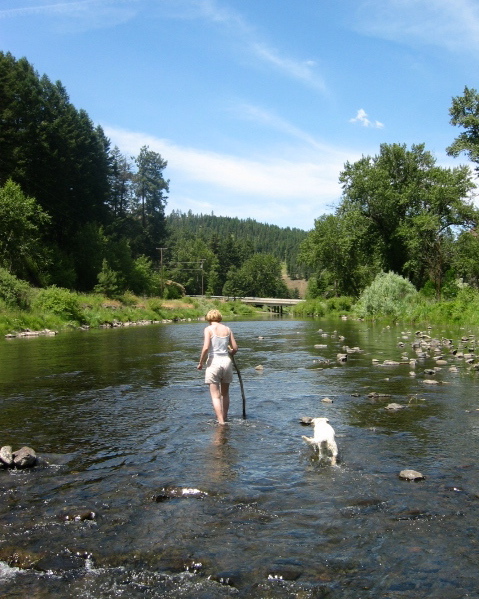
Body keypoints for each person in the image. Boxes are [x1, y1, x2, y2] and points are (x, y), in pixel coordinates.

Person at [197, 309, 238, 424]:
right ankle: (225, 417)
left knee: (215, 396)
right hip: (226, 362)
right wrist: (230, 352)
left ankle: (220, 422)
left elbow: (205, 348)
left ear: (208, 319)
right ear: (220, 318)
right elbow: (235, 348)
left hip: (214, 362)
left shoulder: (208, 329)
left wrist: (200, 362)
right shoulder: (228, 329)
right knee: (225, 394)